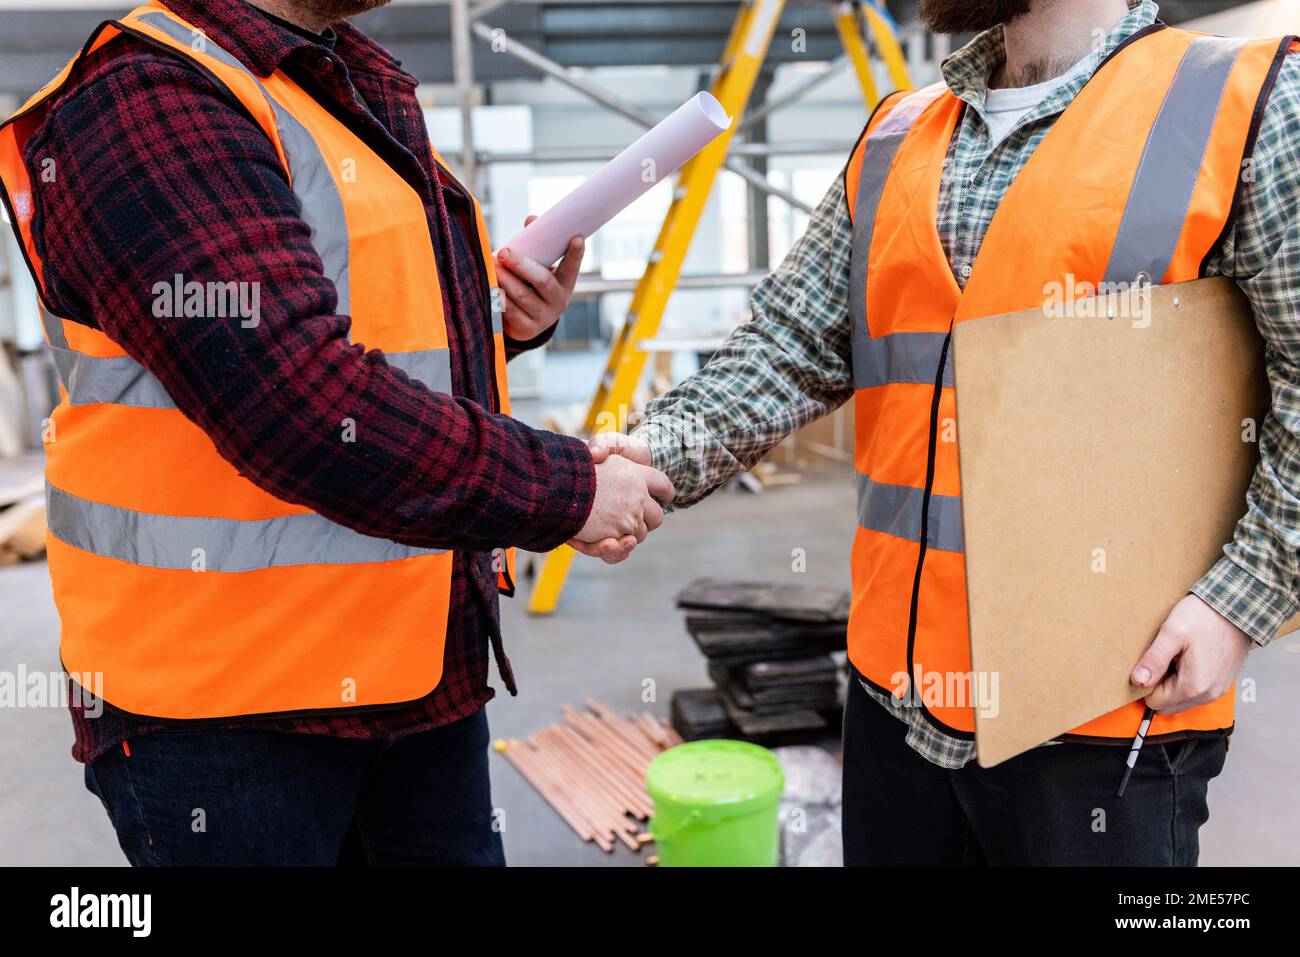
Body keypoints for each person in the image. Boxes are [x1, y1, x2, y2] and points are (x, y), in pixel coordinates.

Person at [585, 0, 1299, 865]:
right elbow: (784, 350)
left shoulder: (1247, 103)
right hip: (896, 692)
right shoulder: (897, 133)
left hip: (1106, 702)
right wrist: (642, 456)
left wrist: (1240, 599)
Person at [0, 0, 672, 866]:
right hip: (229, 713)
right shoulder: (150, 97)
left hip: (413, 669)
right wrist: (566, 488)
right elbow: (293, 398)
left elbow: (361, 329)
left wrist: (498, 318)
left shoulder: (337, 81)